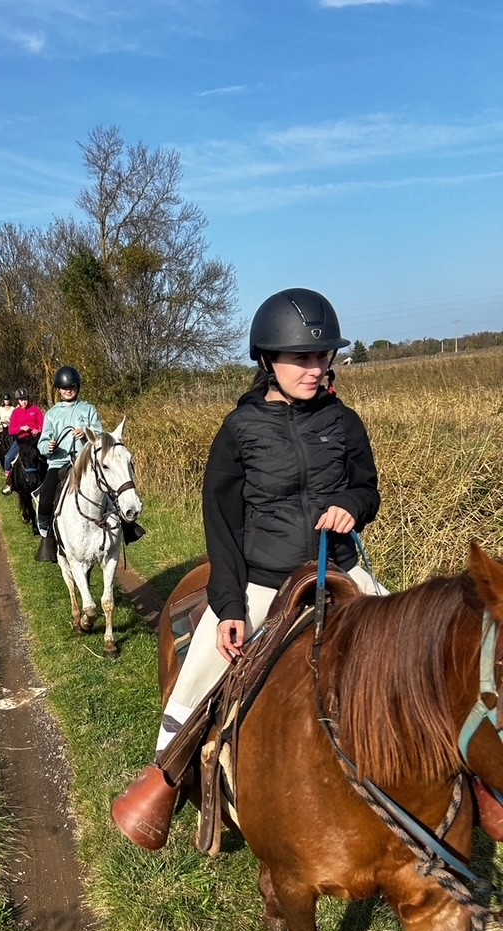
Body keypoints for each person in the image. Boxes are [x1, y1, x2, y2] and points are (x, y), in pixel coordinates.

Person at [113, 287, 386, 840]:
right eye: (302, 358)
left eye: (322, 356)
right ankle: (166, 778)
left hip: (342, 568)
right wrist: (231, 606)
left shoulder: (343, 421)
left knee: (409, 658)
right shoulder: (240, 432)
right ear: (268, 361)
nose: (316, 368)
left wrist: (350, 507)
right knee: (199, 677)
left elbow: (368, 490)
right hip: (265, 579)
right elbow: (222, 524)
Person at [35, 365, 145, 562]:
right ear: (58, 389)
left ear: (78, 387)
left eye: (72, 386)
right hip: (59, 464)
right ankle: (47, 539)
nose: (68, 390)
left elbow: (102, 437)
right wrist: (48, 446)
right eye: (64, 387)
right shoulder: (52, 414)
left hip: (85, 463)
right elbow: (42, 443)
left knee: (111, 493)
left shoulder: (88, 409)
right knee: (45, 500)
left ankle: (127, 528)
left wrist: (85, 433)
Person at [1, 389, 44, 495]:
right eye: (21, 400)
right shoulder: (15, 412)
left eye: (25, 399)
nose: (23, 402)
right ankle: (9, 483)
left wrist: (38, 429)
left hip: (35, 441)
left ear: (28, 399)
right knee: (8, 459)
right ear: (18, 401)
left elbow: (43, 424)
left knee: (45, 457)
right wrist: (21, 428)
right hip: (21, 442)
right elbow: (11, 430)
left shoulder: (36, 410)